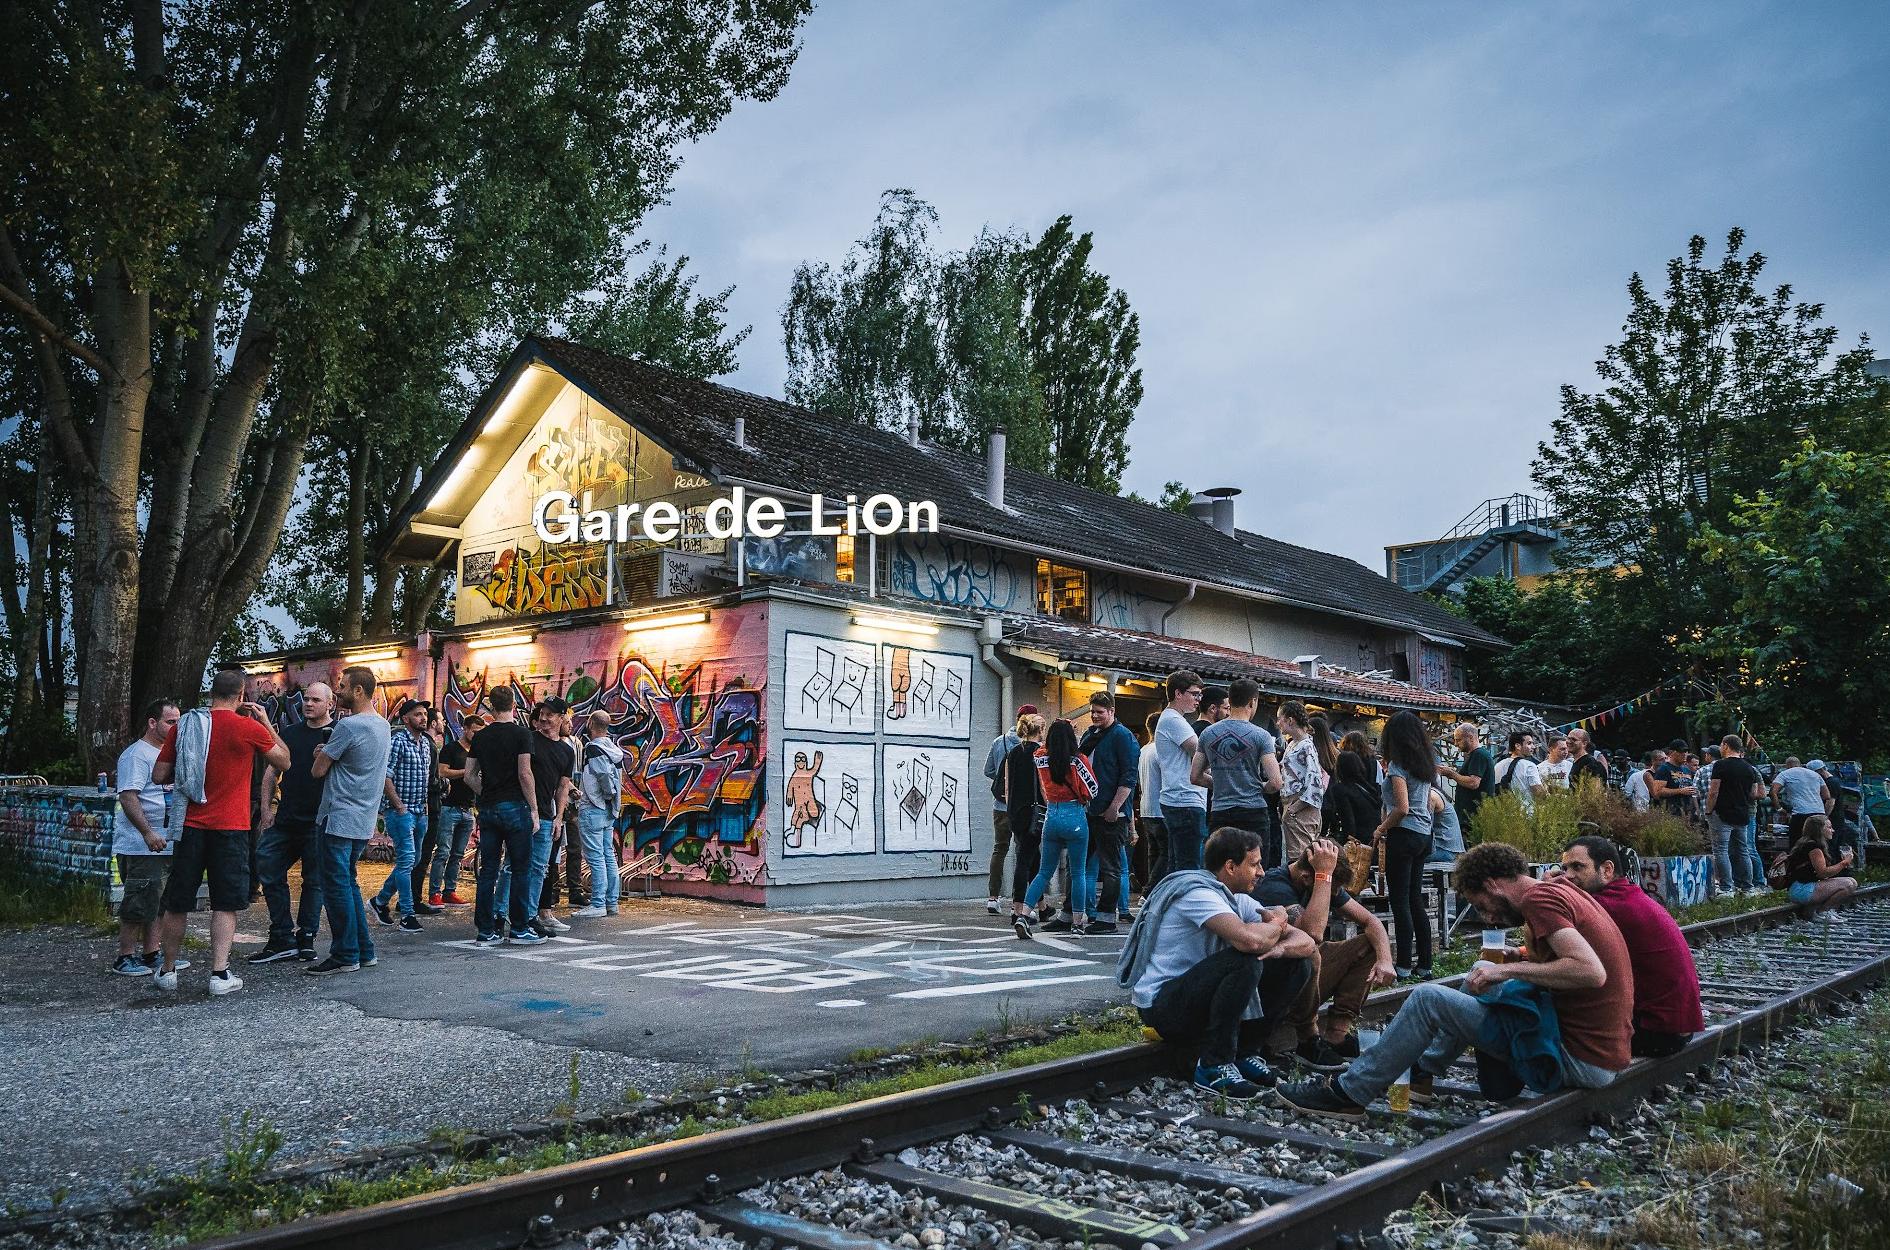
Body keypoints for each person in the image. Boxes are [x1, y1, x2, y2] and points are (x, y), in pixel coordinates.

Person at [1278, 840, 1633, 1120]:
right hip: (1596, 1050)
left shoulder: (1540, 899)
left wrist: (1508, 969)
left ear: (1494, 884)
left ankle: (1347, 1095)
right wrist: (1519, 958)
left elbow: (1590, 970)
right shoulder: (1555, 892)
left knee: (1427, 998)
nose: (1488, 917)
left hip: (1580, 1059)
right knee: (1478, 980)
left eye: (1481, 904)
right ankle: (1422, 1073)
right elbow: (1574, 958)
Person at [1117, 825, 1315, 1099]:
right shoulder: (1198, 895)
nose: (1261, 872)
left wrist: (1279, 949)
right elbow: (1250, 942)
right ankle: (1213, 1065)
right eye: (1254, 864)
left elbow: (1306, 942)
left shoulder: (1236, 900)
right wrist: (1279, 924)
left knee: (1297, 963)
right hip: (1165, 1008)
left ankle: (1244, 1053)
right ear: (1231, 866)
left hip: (1197, 1001)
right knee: (1244, 961)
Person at [150, 670, 291, 996]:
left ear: (212, 692)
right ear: (242, 695)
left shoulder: (185, 726)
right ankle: (219, 974)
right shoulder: (248, 728)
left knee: (177, 902)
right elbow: (284, 761)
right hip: (231, 828)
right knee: (225, 903)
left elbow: (159, 774)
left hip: (190, 826)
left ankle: (168, 971)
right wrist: (265, 721)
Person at [1254, 838, 1397, 1070]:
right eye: (1332, 888)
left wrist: (1385, 960)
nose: (1336, 895)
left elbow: (1371, 922)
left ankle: (1336, 1036)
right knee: (1310, 952)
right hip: (1272, 986)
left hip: (1302, 982)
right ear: (1308, 877)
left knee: (1370, 945)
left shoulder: (1319, 881)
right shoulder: (1274, 887)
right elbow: (1312, 935)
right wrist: (1323, 877)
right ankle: (1308, 1040)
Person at [1555, 835, 1703, 1057]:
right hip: (1674, 1027)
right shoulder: (1626, 895)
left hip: (1656, 1032)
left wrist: (1547, 892)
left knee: (1542, 1009)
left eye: (1577, 867)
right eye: (1564, 869)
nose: (1568, 876)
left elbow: (1560, 961)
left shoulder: (1603, 907)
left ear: (1606, 870)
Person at [304, 666, 391, 975]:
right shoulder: (382, 726)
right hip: (363, 817)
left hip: (337, 816)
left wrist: (322, 754)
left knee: (335, 886)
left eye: (342, 686)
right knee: (349, 882)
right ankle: (363, 950)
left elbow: (318, 771)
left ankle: (345, 953)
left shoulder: (348, 726)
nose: (337, 691)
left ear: (358, 691)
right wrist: (327, 753)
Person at [248, 683, 334, 963]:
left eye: (315, 700)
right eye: (306, 699)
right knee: (267, 865)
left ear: (330, 704)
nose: (308, 704)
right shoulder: (290, 733)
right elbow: (272, 772)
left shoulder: (337, 735)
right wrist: (266, 809)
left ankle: (306, 936)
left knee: (314, 881)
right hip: (286, 818)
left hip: (318, 821)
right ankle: (282, 935)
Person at [110, 699, 182, 976]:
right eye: (170, 722)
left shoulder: (169, 753)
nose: (175, 727)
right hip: (143, 845)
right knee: (138, 900)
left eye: (178, 721)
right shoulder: (136, 755)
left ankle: (152, 953)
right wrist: (147, 833)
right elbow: (128, 796)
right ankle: (125, 956)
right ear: (153, 723)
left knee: (159, 902)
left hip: (167, 841)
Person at [466, 685, 540, 946]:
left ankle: (485, 930)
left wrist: (485, 792)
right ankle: (519, 928)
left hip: (488, 809)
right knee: (521, 869)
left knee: (488, 871)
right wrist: (534, 809)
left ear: (490, 706)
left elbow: (468, 776)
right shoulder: (523, 734)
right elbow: (524, 773)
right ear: (514, 705)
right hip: (515, 808)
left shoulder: (480, 737)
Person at [1019, 719, 1098, 936]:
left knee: (1044, 871)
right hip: (1074, 816)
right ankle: (1077, 922)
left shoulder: (1040, 757)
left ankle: (1024, 914)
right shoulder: (1077, 760)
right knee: (1079, 871)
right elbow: (1093, 787)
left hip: (1051, 816)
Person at [1192, 679, 1281, 870]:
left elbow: (1195, 776)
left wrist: (1221, 784)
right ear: (1252, 702)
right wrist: (1260, 786)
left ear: (1230, 702)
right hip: (1253, 812)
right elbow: (1275, 782)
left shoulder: (1208, 734)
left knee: (1221, 870)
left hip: (1220, 811)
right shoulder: (1261, 735)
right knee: (1255, 870)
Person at [1373, 710, 1436, 979]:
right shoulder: (1424, 764)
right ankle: (1425, 964)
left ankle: (1403, 965)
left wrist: (1380, 829)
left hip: (1404, 834)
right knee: (1414, 899)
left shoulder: (1398, 765)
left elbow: (1401, 808)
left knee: (1400, 901)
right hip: (1424, 834)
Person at [370, 698, 434, 932]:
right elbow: (385, 775)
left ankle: (379, 901)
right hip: (402, 811)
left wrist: (423, 809)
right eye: (418, 714)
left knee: (413, 861)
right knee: (407, 860)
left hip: (420, 811)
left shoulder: (425, 744)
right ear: (406, 718)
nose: (423, 718)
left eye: (425, 714)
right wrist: (398, 806)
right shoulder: (397, 741)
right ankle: (407, 914)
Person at [1080, 692, 1140, 934]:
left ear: (1112, 712)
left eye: (1100, 712)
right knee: (1081, 865)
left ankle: (1106, 918)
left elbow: (1128, 776)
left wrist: (1115, 807)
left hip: (1111, 812)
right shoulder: (1089, 735)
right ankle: (1077, 912)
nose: (1095, 715)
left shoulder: (1123, 737)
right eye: (1093, 711)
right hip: (1088, 809)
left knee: (1111, 867)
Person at [572, 709, 625, 918]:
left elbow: (602, 774)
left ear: (591, 724)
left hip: (593, 806)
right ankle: (611, 902)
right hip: (608, 810)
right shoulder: (614, 749)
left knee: (595, 857)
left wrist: (607, 793)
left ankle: (598, 904)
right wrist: (612, 798)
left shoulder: (593, 749)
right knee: (608, 856)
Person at [1155, 671, 1209, 872]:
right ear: (1178, 693)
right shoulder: (1174, 720)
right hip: (1185, 799)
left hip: (1179, 799)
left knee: (1178, 865)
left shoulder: (1171, 719)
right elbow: (1201, 752)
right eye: (1194, 694)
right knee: (1190, 867)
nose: (1198, 699)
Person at [981, 705, 1031, 915]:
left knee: (999, 849)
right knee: (1023, 852)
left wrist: (1004, 785)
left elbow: (988, 770)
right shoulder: (1031, 746)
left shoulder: (999, 741)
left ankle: (993, 897)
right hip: (1022, 807)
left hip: (1000, 805)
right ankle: (1020, 902)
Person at [431, 713, 483, 907]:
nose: (477, 736)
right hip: (449, 807)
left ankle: (450, 891)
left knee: (458, 854)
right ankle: (434, 892)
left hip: (468, 809)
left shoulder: (478, 752)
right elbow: (442, 771)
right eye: (475, 732)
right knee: (443, 852)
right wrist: (467, 772)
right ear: (466, 729)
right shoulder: (451, 749)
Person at [1704, 734, 1765, 898]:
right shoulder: (1749, 768)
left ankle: (1726, 887)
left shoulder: (1720, 766)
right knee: (1743, 850)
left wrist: (1708, 810)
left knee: (1721, 850)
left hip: (1723, 813)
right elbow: (1753, 793)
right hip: (1743, 813)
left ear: (1725, 745)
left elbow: (1713, 791)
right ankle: (1748, 887)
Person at [1005, 712, 1048, 935]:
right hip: (1035, 813)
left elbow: (1006, 785)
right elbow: (1042, 786)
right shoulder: (1040, 754)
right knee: (1025, 861)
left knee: (1032, 858)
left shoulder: (1013, 753)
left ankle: (1041, 906)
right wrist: (1050, 806)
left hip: (1016, 812)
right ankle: (1019, 908)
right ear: (1040, 731)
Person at [408, 708, 448, 914]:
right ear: (434, 724)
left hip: (425, 806)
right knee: (420, 856)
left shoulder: (425, 744)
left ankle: (411, 899)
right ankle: (413, 899)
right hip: (428, 807)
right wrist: (443, 784)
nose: (444, 723)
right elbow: (429, 780)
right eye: (441, 719)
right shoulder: (428, 746)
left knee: (418, 855)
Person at [1276, 701, 1326, 866]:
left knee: (1301, 860)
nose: (1278, 723)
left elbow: (1315, 784)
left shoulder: (1306, 746)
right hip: (1294, 805)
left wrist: (1293, 809)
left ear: (1290, 720)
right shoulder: (1293, 743)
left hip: (1300, 807)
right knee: (1297, 857)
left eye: (1280, 719)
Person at [1782, 815, 1857, 916]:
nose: (1833, 830)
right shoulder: (1813, 847)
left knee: (1851, 881)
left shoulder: (1808, 843)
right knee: (1848, 884)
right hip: (1802, 890)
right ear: (1820, 830)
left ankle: (1814, 910)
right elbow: (1822, 872)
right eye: (1829, 827)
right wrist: (1844, 863)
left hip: (1801, 887)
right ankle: (1823, 912)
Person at [1437, 723, 1495, 831]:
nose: (1455, 744)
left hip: (1473, 818)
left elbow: (1473, 782)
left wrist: (1452, 774)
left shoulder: (1479, 755)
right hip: (1470, 817)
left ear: (1471, 738)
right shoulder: (1475, 755)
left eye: (1458, 740)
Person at [1321, 750, 1380, 844]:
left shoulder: (1340, 789)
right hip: (1373, 836)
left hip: (1357, 839)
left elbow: (1348, 820)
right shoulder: (1369, 788)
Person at [1136, 712, 1167, 885]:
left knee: (1153, 852)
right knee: (1166, 853)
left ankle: (1150, 890)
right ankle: (1150, 890)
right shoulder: (1160, 750)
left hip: (1146, 807)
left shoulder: (1143, 750)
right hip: (1161, 808)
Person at [1771, 756, 1833, 839]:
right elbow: (1827, 796)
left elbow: (1773, 792)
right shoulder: (1815, 774)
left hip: (1800, 813)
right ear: (1800, 764)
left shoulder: (1785, 773)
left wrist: (1779, 809)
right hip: (1819, 813)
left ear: (1787, 766)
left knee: (1798, 843)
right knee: (1819, 841)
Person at [1491, 730, 1545, 812]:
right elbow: (1539, 793)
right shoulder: (1529, 766)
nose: (1533, 747)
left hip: (1503, 815)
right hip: (1526, 815)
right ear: (1518, 746)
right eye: (1529, 743)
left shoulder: (1497, 765)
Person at [1649, 738, 1695, 820]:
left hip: (1688, 813)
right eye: (1681, 751)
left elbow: (1691, 791)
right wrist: (1680, 791)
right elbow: (1657, 791)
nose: (1684, 754)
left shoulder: (1687, 769)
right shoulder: (1664, 769)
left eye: (1686, 751)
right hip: (1672, 814)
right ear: (1671, 753)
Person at [1566, 728, 1609, 792]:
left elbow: (1595, 794)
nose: (1569, 741)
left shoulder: (1592, 765)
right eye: (1568, 738)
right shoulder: (1576, 762)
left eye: (1573, 739)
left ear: (1584, 743)